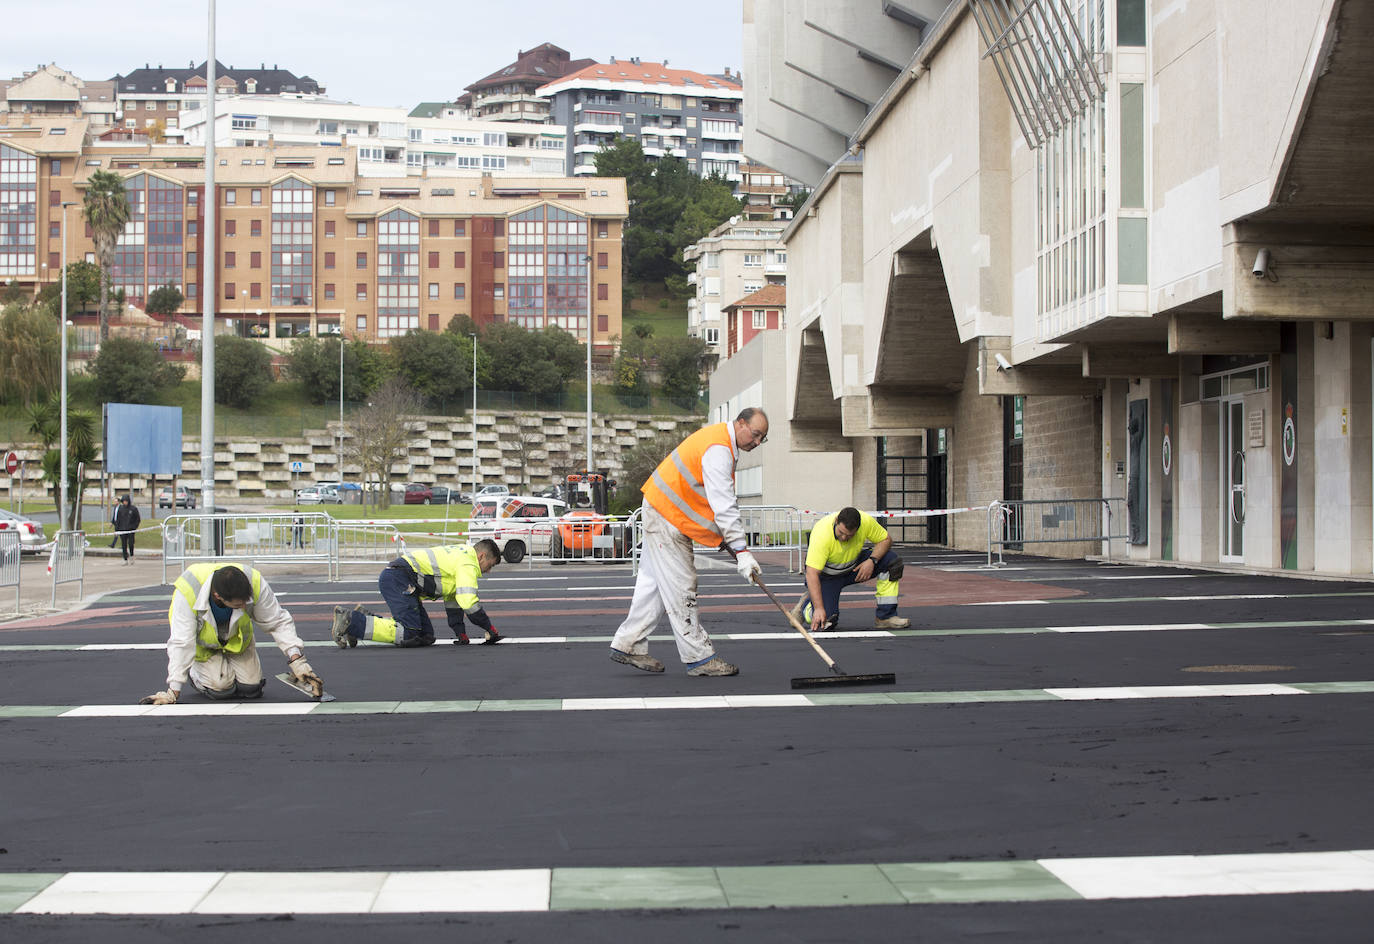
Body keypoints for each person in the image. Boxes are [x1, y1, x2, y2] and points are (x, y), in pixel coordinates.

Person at [609, 408, 769, 677]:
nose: (756, 442)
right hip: (667, 517)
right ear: (741, 423)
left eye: (761, 439)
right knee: (682, 585)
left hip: (662, 510)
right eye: (754, 434)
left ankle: (629, 643)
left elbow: (703, 501)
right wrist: (741, 550)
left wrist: (725, 540)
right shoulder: (719, 450)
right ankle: (699, 657)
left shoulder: (718, 441)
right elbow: (724, 504)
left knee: (654, 585)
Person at [139, 563, 323, 704]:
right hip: (205, 649)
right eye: (237, 605)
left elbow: (278, 622)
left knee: (251, 689)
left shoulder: (254, 582)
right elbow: (182, 641)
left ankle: (227, 672)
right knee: (221, 689)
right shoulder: (188, 591)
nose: (244, 607)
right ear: (218, 596)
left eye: (245, 602)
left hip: (236, 643)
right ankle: (197, 675)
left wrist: (297, 661)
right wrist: (174, 690)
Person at [331, 539, 503, 648]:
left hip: (402, 578)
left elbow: (454, 601)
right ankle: (351, 621)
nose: (489, 571)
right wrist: (490, 628)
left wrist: (460, 633)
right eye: (491, 565)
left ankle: (362, 621)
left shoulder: (462, 555)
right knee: (409, 633)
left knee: (425, 636)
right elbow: (468, 602)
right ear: (481, 556)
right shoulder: (469, 563)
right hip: (399, 578)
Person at [791, 506, 911, 632]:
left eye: (849, 535)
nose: (844, 538)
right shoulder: (822, 533)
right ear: (836, 521)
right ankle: (806, 605)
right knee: (827, 622)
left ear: (858, 529)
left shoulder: (865, 521)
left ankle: (886, 617)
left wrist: (872, 561)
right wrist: (819, 608)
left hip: (853, 568)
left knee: (891, 561)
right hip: (827, 577)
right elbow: (812, 574)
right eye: (841, 533)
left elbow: (886, 539)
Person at [113, 495, 141, 565]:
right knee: (124, 545)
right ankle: (125, 559)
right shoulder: (121, 509)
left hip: (130, 530)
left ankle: (131, 556)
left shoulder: (133, 509)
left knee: (131, 544)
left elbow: (137, 519)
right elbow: (118, 520)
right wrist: (117, 529)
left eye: (126, 501)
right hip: (122, 530)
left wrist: (134, 527)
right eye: (124, 501)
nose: (125, 502)